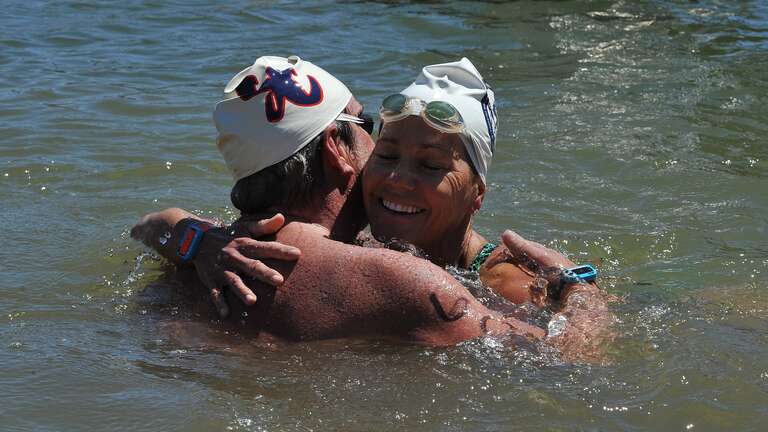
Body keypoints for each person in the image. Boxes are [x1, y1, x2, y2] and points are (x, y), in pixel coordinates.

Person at [133, 56, 612, 357]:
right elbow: (571, 359)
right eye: (366, 126)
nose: (397, 176)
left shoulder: (220, 254)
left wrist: (192, 237)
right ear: (337, 151)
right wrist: (579, 285)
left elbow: (146, 224)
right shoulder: (401, 280)